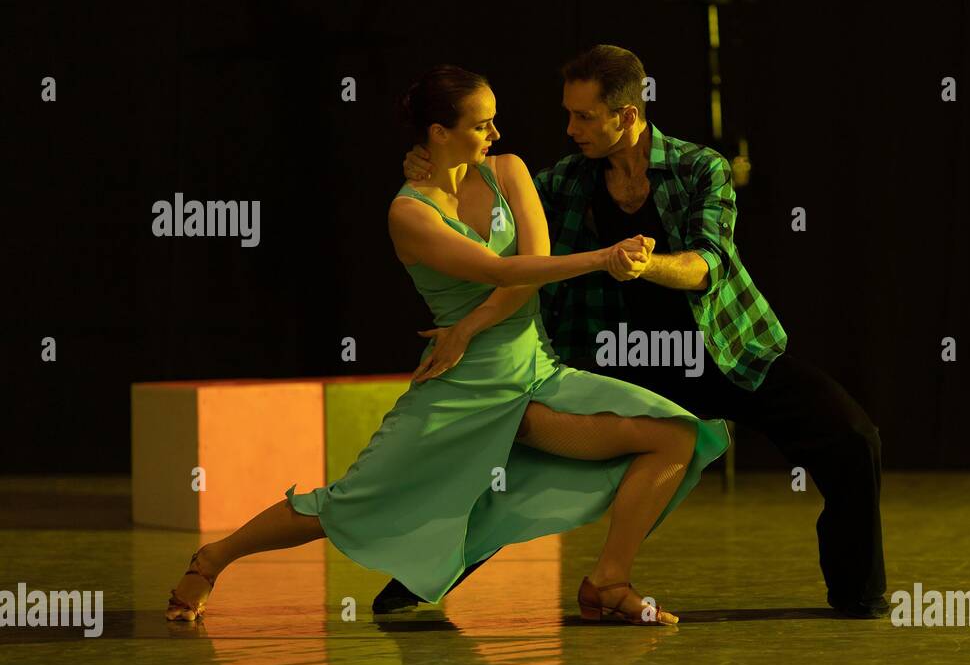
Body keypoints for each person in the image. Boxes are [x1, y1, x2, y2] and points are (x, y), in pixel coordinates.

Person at [165, 64, 730, 627]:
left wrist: (469, 323)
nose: (496, 134)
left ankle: (609, 581)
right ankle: (213, 559)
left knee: (675, 435)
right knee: (347, 502)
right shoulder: (408, 213)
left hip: (534, 375)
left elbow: (528, 273)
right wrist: (605, 258)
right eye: (482, 125)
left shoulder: (507, 172)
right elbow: (500, 271)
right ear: (439, 133)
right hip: (460, 384)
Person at [388, 45, 888, 619]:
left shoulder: (701, 168)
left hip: (719, 349)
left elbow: (708, 265)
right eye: (568, 114)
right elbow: (483, 195)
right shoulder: (565, 182)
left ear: (627, 115)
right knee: (523, 470)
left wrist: (640, 264)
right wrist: (427, 161)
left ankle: (858, 595)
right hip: (618, 355)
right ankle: (416, 580)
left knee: (851, 437)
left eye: (584, 117)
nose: (569, 128)